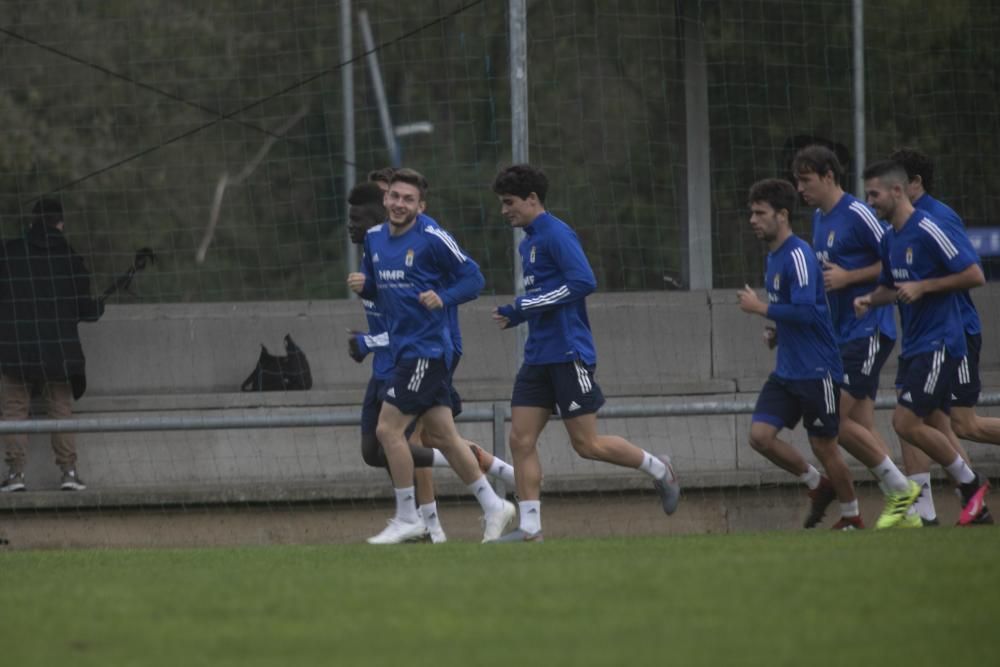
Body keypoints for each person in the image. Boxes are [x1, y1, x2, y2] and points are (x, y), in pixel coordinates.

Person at [489, 164, 680, 543]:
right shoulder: (527, 241)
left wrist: (524, 307)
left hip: (568, 351)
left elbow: (582, 281)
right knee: (520, 440)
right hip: (538, 355)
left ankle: (661, 470)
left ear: (532, 200)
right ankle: (530, 529)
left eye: (509, 202)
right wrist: (522, 313)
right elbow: (546, 295)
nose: (504, 210)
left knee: (586, 445)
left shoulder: (557, 233)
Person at [348, 168, 515, 544]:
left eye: (408, 199)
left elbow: (473, 277)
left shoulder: (432, 237)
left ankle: (414, 519)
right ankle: (493, 505)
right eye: (393, 196)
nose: (398, 204)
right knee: (441, 435)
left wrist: (444, 297)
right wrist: (367, 286)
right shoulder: (374, 240)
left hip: (427, 350)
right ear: (385, 198)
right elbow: (387, 291)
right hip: (403, 349)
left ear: (421, 206)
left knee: (389, 431)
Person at [738, 178, 891, 530]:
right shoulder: (774, 257)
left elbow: (807, 312)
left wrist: (761, 308)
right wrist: (776, 329)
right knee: (760, 437)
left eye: (760, 213)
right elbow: (793, 309)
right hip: (788, 371)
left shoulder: (797, 254)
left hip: (817, 369)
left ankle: (852, 515)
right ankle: (816, 484)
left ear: (782, 215)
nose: (753, 220)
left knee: (825, 444)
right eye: (752, 213)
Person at [854, 160, 990, 525]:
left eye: (874, 194)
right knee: (928, 423)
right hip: (913, 344)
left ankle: (969, 486)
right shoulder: (889, 239)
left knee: (906, 422)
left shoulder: (929, 228)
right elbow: (891, 288)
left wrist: (925, 286)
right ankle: (954, 504)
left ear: (898, 191)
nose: (870, 202)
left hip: (941, 340)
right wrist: (870, 299)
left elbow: (974, 274)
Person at [792, 146, 921, 528]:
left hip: (868, 330)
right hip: (840, 334)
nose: (800, 188)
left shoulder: (859, 213)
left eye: (806, 179)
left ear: (829, 176)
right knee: (858, 428)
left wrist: (849, 279)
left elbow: (895, 258)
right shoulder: (819, 219)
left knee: (832, 418)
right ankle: (909, 512)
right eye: (797, 181)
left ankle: (901, 489)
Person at [889, 147, 996, 525]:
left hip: (955, 334)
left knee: (964, 424)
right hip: (921, 339)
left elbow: (971, 272)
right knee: (913, 418)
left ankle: (961, 502)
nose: (884, 193)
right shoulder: (898, 225)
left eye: (893, 183)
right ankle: (932, 511)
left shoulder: (938, 218)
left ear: (914, 184)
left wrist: (924, 286)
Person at [0, 199, 103, 492]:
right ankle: (69, 472)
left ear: (32, 222)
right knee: (60, 409)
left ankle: (15, 475)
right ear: (60, 223)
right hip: (59, 351)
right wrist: (98, 306)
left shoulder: (8, 253)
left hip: (15, 349)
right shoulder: (70, 258)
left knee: (14, 410)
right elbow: (85, 307)